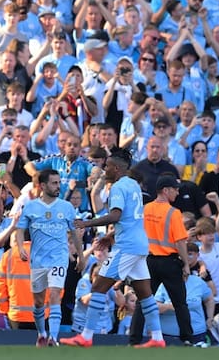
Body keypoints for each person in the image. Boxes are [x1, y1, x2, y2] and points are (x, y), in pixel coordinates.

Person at [61, 149, 166, 348]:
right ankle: (158, 338)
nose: (104, 170)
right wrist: (110, 237)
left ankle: (86, 336)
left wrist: (87, 223)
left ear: (116, 168)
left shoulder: (117, 187)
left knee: (98, 287)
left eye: (107, 166)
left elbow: (116, 215)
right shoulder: (133, 184)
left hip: (127, 247)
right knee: (145, 293)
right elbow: (130, 218)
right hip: (139, 244)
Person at [16, 169, 85, 346]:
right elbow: (20, 230)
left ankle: (53, 338)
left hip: (59, 258)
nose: (58, 186)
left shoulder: (66, 207)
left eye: (59, 182)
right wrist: (21, 247)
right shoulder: (31, 207)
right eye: (54, 183)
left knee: (55, 294)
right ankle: (41, 333)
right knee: (39, 302)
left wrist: (81, 256)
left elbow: (75, 233)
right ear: (43, 185)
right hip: (38, 260)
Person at [129, 175, 193, 346]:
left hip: (148, 261)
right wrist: (186, 264)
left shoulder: (144, 209)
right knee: (180, 303)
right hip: (169, 262)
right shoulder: (173, 213)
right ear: (166, 190)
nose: (177, 193)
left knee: (143, 301)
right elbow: (180, 242)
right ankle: (187, 338)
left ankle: (134, 339)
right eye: (175, 189)